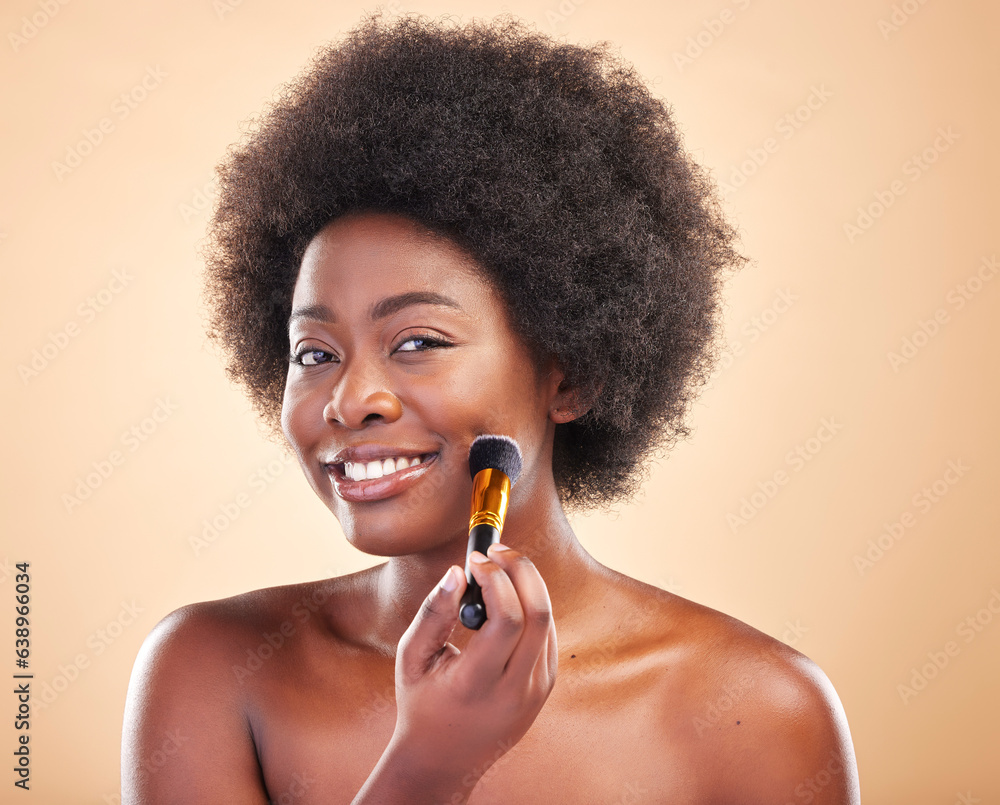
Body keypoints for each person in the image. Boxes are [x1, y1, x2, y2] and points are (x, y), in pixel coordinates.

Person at [122, 12, 860, 804]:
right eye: (315, 353)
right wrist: (429, 767)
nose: (350, 399)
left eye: (418, 341)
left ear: (569, 375)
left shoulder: (758, 711)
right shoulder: (215, 670)